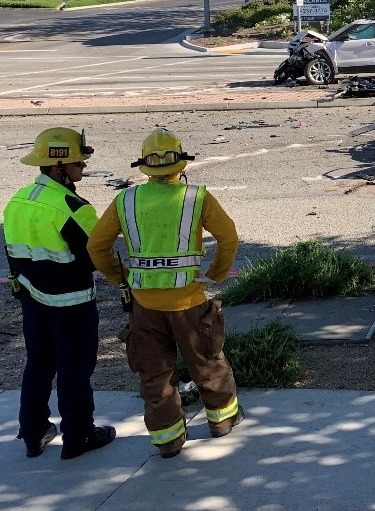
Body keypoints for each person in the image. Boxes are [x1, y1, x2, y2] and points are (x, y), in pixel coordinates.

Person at [87, 128, 243, 458]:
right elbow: (228, 237)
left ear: (144, 167)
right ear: (180, 163)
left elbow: (97, 246)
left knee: (155, 375)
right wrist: (216, 272)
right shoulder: (196, 197)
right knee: (207, 363)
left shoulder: (125, 200)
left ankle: (168, 440)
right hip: (188, 302)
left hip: (144, 306)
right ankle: (222, 421)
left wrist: (120, 278)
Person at [3, 127, 116, 459]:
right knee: (74, 369)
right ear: (57, 167)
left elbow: (13, 254)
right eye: (78, 163)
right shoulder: (71, 206)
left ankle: (34, 431)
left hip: (32, 300)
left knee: (38, 364)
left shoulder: (17, 201)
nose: (83, 168)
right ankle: (78, 435)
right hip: (72, 305)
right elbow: (98, 253)